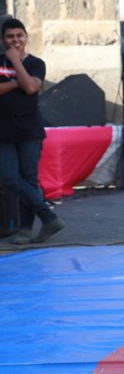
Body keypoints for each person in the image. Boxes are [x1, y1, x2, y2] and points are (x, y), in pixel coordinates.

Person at [0, 18, 65, 245]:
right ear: (3, 40)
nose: (15, 40)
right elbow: (26, 85)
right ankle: (47, 216)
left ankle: (25, 230)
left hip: (29, 131)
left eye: (19, 35)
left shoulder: (36, 63)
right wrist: (18, 81)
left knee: (29, 178)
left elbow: (30, 87)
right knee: (8, 177)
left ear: (26, 37)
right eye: (10, 36)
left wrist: (16, 63)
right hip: (3, 132)